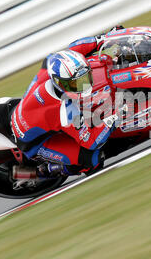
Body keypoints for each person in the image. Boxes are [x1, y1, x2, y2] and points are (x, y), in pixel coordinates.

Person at [11, 26, 126, 179]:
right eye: (76, 84)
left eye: (85, 78)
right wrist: (116, 115)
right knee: (92, 160)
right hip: (33, 143)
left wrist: (103, 38)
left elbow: (74, 49)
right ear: (60, 83)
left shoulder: (51, 64)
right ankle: (37, 173)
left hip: (28, 111)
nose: (84, 85)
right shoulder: (67, 111)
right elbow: (91, 142)